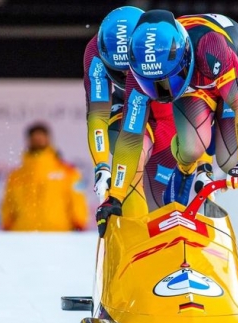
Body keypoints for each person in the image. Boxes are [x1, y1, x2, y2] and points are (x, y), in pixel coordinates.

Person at [96, 11, 238, 236]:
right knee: (190, 148)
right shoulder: (137, 77)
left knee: (230, 160)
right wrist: (114, 196)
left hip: (235, 68)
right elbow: (130, 139)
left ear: (184, 55)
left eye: (166, 80)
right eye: (152, 84)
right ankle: (187, 170)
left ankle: (207, 167)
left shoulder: (210, 46)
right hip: (193, 82)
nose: (162, 91)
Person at [84, 6, 178, 218]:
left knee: (161, 185)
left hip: (159, 108)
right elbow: (98, 115)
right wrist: (101, 167)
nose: (125, 73)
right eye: (119, 69)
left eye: (129, 65)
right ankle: (133, 228)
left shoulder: (161, 47)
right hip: (122, 103)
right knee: (124, 151)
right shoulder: (95, 56)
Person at [0, 122, 88, 232]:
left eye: (41, 137)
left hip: (59, 233)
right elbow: (8, 204)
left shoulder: (68, 172)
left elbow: (77, 199)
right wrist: (6, 223)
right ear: (28, 141)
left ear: (48, 139)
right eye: (34, 138)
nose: (38, 141)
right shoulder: (16, 175)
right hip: (23, 233)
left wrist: (79, 222)